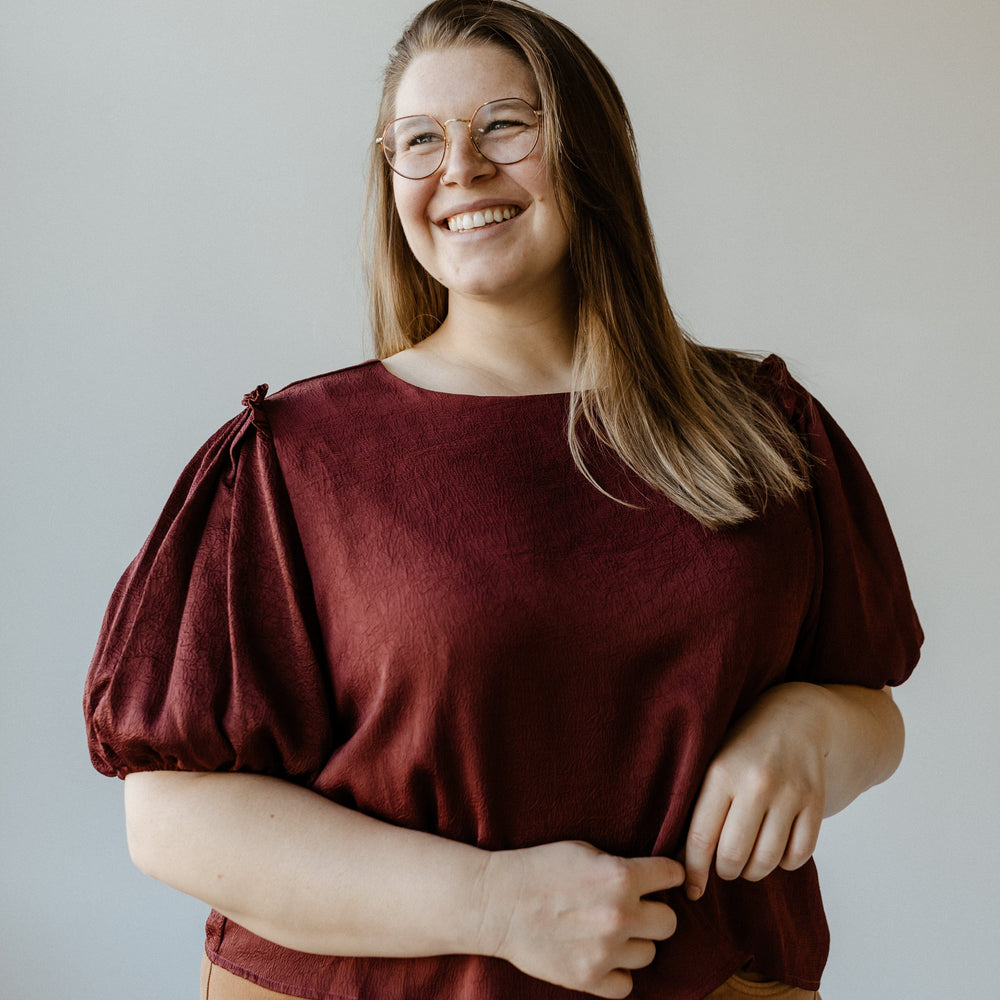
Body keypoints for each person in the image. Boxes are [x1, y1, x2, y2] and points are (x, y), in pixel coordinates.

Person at [83, 2, 922, 998]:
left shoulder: (764, 425)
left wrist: (815, 727)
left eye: (505, 126)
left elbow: (872, 705)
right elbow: (168, 816)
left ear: (591, 151)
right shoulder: (291, 458)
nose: (461, 169)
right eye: (420, 141)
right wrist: (494, 905)